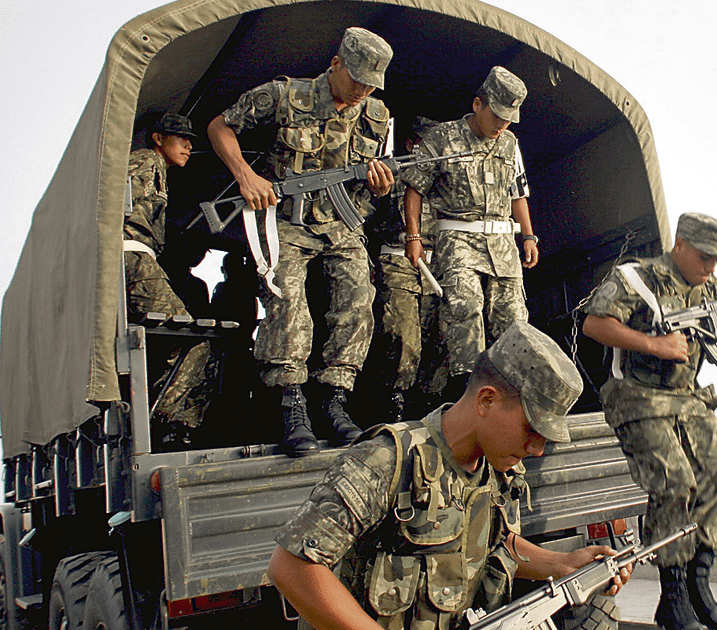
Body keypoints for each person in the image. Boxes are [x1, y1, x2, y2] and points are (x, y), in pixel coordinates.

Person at [267, 321, 631, 630]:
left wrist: (561, 563)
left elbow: (494, 544)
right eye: (531, 430)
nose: (537, 450)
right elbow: (291, 566)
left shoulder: (497, 470)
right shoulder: (390, 459)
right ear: (486, 400)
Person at [207, 27, 396, 455]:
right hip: (288, 220)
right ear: (335, 64)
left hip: (339, 221)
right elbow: (220, 126)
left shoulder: (377, 116)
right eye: (357, 78)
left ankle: (334, 400)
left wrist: (379, 188)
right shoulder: (285, 95)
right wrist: (245, 175)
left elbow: (371, 185)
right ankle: (291, 404)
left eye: (371, 83)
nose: (363, 89)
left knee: (358, 298)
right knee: (286, 298)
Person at [581, 213, 717, 630]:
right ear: (681, 245)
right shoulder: (637, 278)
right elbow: (595, 324)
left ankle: (698, 582)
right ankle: (672, 595)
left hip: (685, 397)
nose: (711, 267)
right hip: (637, 396)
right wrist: (654, 344)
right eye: (705, 256)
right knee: (675, 482)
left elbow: (705, 352)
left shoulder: (704, 287)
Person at [399, 66, 538, 401]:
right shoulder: (441, 138)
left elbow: (518, 193)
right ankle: (469, 391)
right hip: (458, 238)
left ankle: (511, 394)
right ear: (478, 104)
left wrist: (529, 237)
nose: (502, 124)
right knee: (466, 309)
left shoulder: (509, 144)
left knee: (514, 319)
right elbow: (414, 189)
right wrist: (413, 237)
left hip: (502, 243)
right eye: (497, 115)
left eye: (509, 119)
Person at [123, 112, 218, 450]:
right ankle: (168, 422)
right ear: (158, 139)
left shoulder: (155, 168)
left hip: (136, 256)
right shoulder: (146, 162)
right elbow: (114, 215)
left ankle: (170, 422)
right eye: (180, 139)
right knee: (195, 340)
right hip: (133, 257)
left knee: (182, 340)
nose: (189, 146)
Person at [363, 118, 443, 420]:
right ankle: (392, 405)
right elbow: (363, 219)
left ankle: (427, 405)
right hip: (397, 259)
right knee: (402, 339)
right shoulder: (389, 173)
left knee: (439, 336)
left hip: (439, 264)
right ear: (411, 144)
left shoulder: (446, 177)